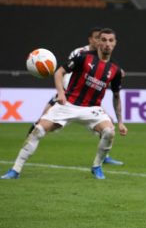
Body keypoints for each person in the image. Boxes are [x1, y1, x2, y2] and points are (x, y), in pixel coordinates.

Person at [2, 28, 128, 180]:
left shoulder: (115, 70)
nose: (107, 43)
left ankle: (97, 166)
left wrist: (120, 122)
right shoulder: (83, 57)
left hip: (92, 109)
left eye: (110, 40)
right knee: (39, 130)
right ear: (98, 42)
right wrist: (61, 93)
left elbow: (116, 96)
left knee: (109, 132)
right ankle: (15, 170)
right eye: (104, 40)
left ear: (115, 43)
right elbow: (59, 72)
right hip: (68, 104)